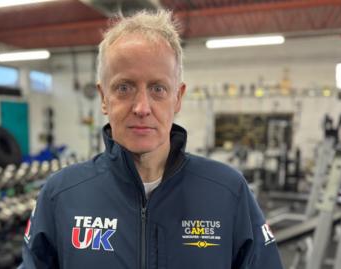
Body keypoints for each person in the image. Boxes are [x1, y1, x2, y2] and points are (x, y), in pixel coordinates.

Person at [21, 9, 283, 269]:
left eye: (158, 89)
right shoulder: (61, 195)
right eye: (124, 88)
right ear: (103, 98)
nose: (142, 108)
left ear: (177, 97)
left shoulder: (228, 192)